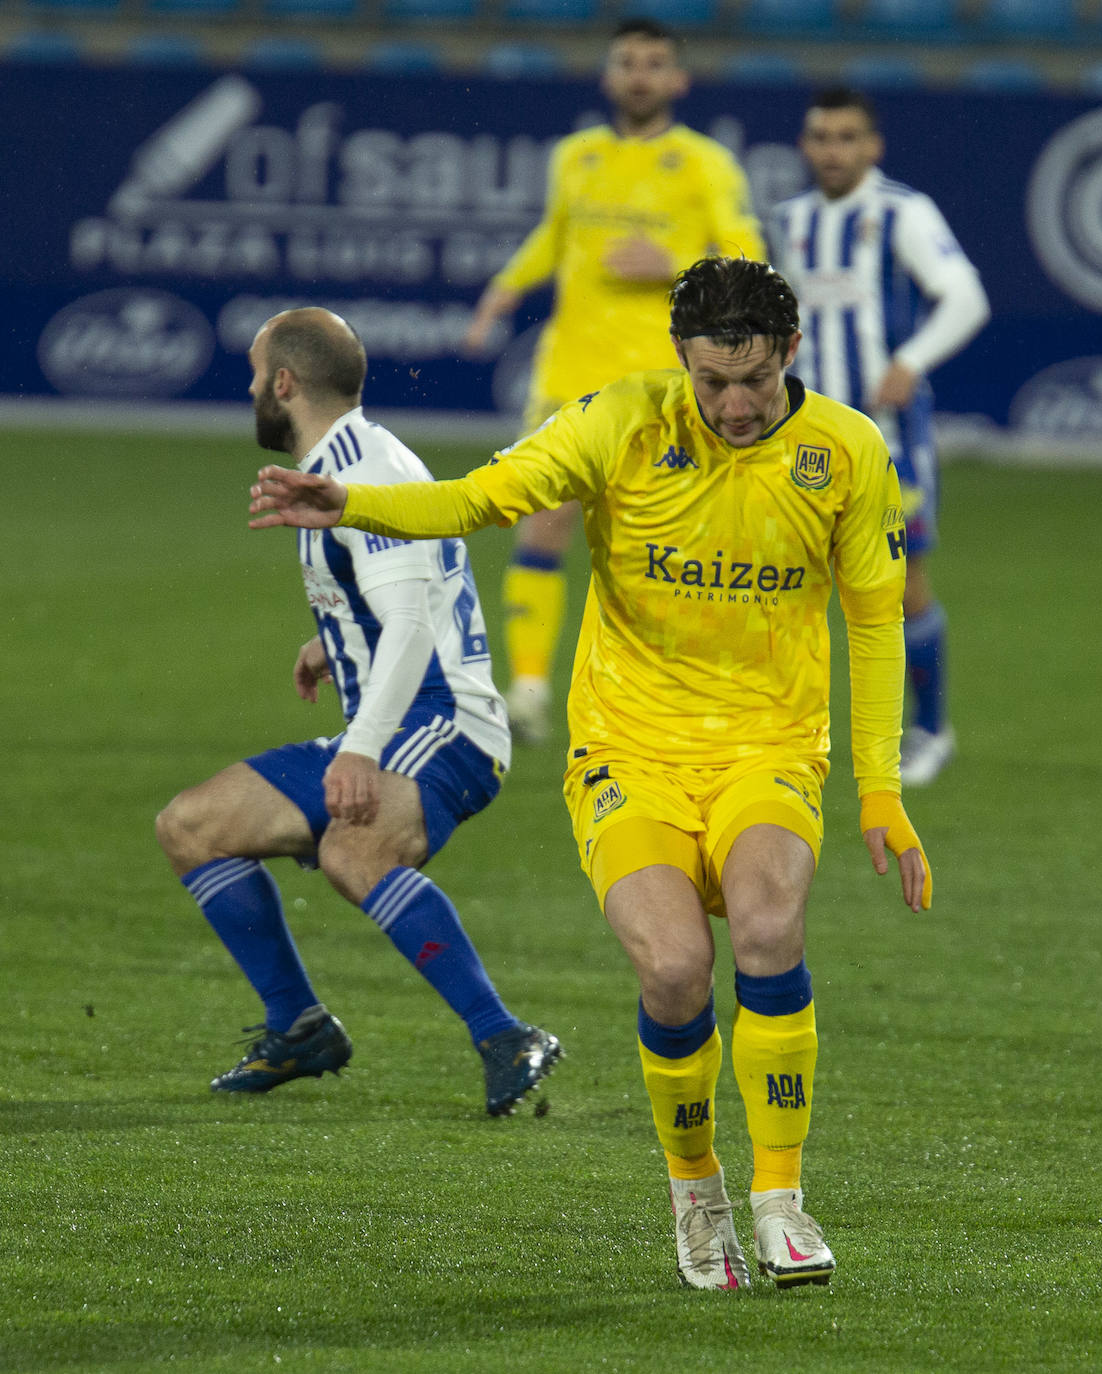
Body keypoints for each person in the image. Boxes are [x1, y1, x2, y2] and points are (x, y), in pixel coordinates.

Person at [251, 258, 931, 1292]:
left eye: (752, 380)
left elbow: (876, 620)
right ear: (681, 363)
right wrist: (351, 501)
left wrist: (879, 792)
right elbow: (482, 497)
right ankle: (695, 1190)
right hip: (628, 751)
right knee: (671, 972)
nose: (734, 405)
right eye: (711, 382)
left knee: (765, 930)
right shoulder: (620, 422)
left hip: (768, 748)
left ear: (788, 354)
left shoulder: (845, 452)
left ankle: (781, 1200)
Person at [155, 306, 561, 1115]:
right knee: (191, 827)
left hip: (444, 724)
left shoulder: (365, 468)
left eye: (252, 375)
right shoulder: (350, 457)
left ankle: (504, 1033)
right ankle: (298, 1025)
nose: (248, 390)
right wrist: (331, 637)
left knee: (354, 852)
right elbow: (402, 596)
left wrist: (358, 751)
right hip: (399, 710)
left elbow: (411, 624)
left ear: (283, 383)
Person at [462, 16, 765, 746]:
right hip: (568, 377)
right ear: (608, 75)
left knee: (674, 547)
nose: (639, 74)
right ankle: (529, 690)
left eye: (654, 63)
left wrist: (672, 265)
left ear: (677, 80)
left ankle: (674, 694)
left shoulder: (704, 165)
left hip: (667, 385)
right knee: (545, 525)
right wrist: (504, 290)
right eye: (627, 62)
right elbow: (556, 235)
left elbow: (746, 251)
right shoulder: (576, 156)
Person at [771, 87, 990, 786]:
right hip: (798, 437)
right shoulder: (787, 221)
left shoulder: (902, 212)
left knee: (900, 587)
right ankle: (776, 728)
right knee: (775, 582)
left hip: (889, 439)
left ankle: (928, 730)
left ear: (872, 147)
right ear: (803, 146)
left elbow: (965, 297)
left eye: (845, 137)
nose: (831, 149)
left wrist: (909, 361)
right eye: (819, 137)